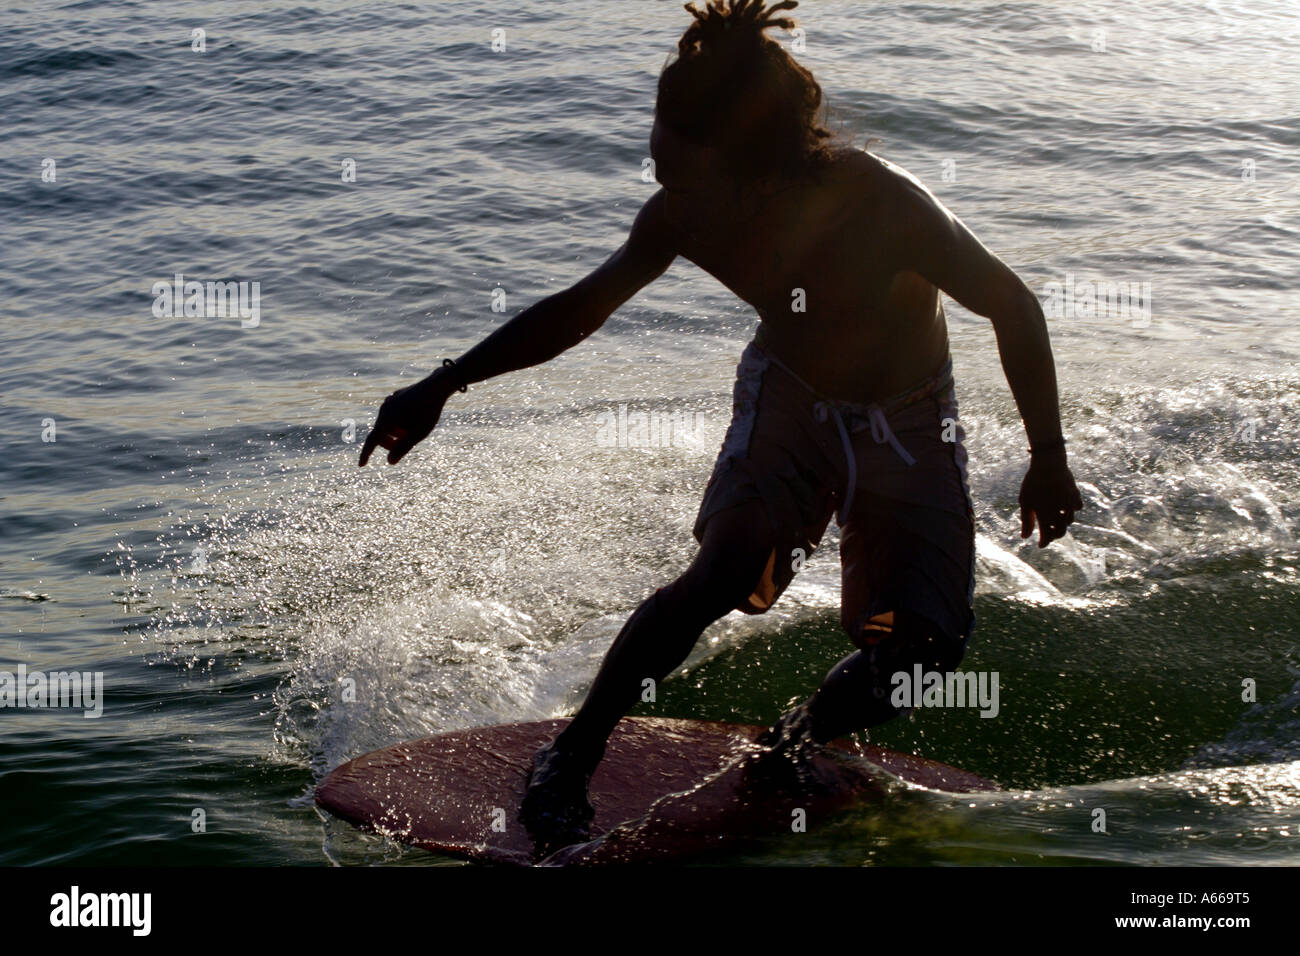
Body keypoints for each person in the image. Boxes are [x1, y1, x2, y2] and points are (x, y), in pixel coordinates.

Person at [358, 0, 1082, 854]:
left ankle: (795, 743)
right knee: (725, 565)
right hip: (788, 393)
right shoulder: (682, 212)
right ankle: (569, 757)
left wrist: (1047, 456)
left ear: (744, 158)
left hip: (909, 417)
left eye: (673, 144)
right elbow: (582, 309)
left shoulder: (880, 204)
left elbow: (1013, 304)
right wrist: (445, 383)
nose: (653, 158)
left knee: (928, 647)